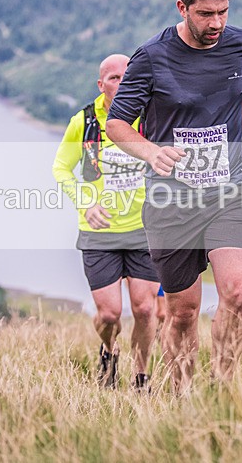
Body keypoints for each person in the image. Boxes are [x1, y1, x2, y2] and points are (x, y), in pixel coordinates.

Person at [105, 0, 242, 391]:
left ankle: (223, 391)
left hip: (230, 190)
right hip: (172, 201)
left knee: (238, 295)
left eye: (223, 11)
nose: (217, 21)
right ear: (182, 7)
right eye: (206, 13)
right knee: (182, 312)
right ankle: (183, 395)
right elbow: (117, 124)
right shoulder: (150, 58)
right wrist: (150, 152)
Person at [52, 53, 160, 390]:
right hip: (99, 233)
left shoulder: (151, 117)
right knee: (110, 314)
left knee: (145, 309)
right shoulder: (83, 122)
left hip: (145, 230)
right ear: (101, 84)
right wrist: (85, 205)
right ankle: (109, 351)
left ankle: (141, 376)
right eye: (114, 77)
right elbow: (61, 168)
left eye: (128, 76)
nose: (123, 82)